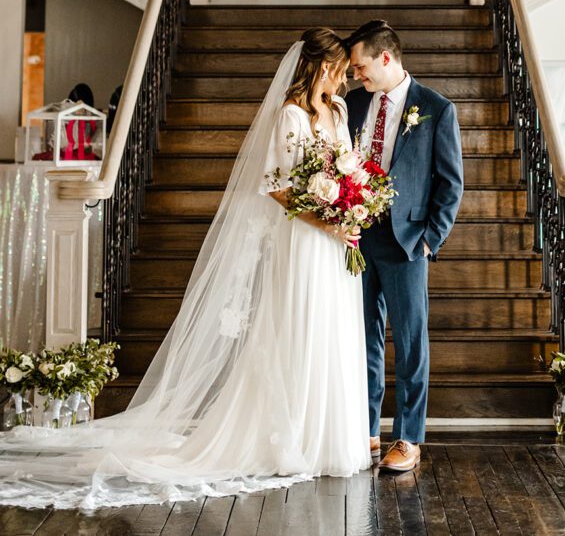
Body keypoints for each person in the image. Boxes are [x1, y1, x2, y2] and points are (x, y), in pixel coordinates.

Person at [0, 29, 371, 510]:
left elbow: (345, 168)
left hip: (337, 242)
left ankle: (330, 439)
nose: (344, 79)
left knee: (334, 333)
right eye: (341, 69)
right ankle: (291, 437)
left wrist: (352, 207)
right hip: (304, 239)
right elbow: (278, 188)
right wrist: (325, 220)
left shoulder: (338, 111)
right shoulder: (290, 115)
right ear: (323, 67)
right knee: (300, 330)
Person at [346, 19, 463, 473]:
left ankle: (409, 437)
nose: (357, 75)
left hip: (407, 241)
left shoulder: (436, 108)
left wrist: (431, 239)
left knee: (411, 341)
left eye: (361, 67)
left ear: (386, 58)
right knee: (363, 338)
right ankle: (368, 430)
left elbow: (450, 185)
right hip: (356, 236)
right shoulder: (354, 105)